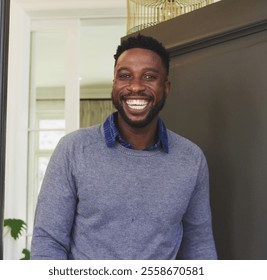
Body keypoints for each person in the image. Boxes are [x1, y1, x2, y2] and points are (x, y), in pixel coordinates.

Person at [31, 34, 217, 260]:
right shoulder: (73, 149)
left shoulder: (191, 159)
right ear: (115, 84)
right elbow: (48, 240)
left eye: (149, 76)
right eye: (125, 76)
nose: (136, 86)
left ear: (166, 88)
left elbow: (199, 246)